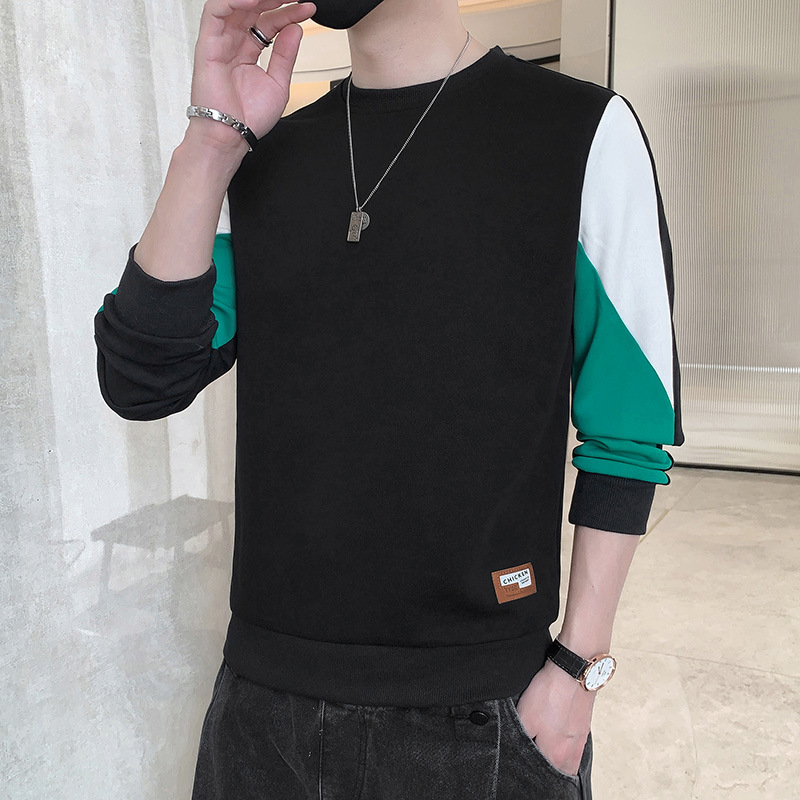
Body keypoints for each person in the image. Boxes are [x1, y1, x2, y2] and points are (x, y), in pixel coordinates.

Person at [93, 0, 684, 797]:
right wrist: (209, 144)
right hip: (263, 710)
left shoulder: (580, 132)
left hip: (483, 714)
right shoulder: (264, 156)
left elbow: (630, 428)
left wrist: (578, 669)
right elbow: (142, 378)